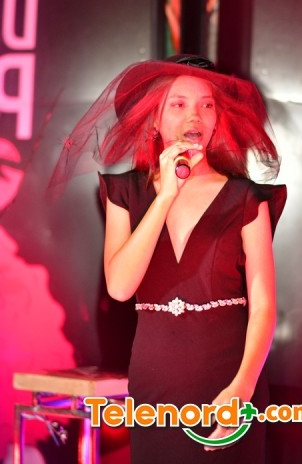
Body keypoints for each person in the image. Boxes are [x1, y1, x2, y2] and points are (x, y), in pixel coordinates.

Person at [51, 54, 286, 463]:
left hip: (229, 381)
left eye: (206, 104)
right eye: (178, 104)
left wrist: (243, 387)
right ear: (154, 120)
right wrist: (165, 196)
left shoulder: (247, 198)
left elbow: (264, 304)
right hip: (156, 384)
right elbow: (120, 286)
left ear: (217, 119)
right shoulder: (125, 193)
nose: (195, 115)